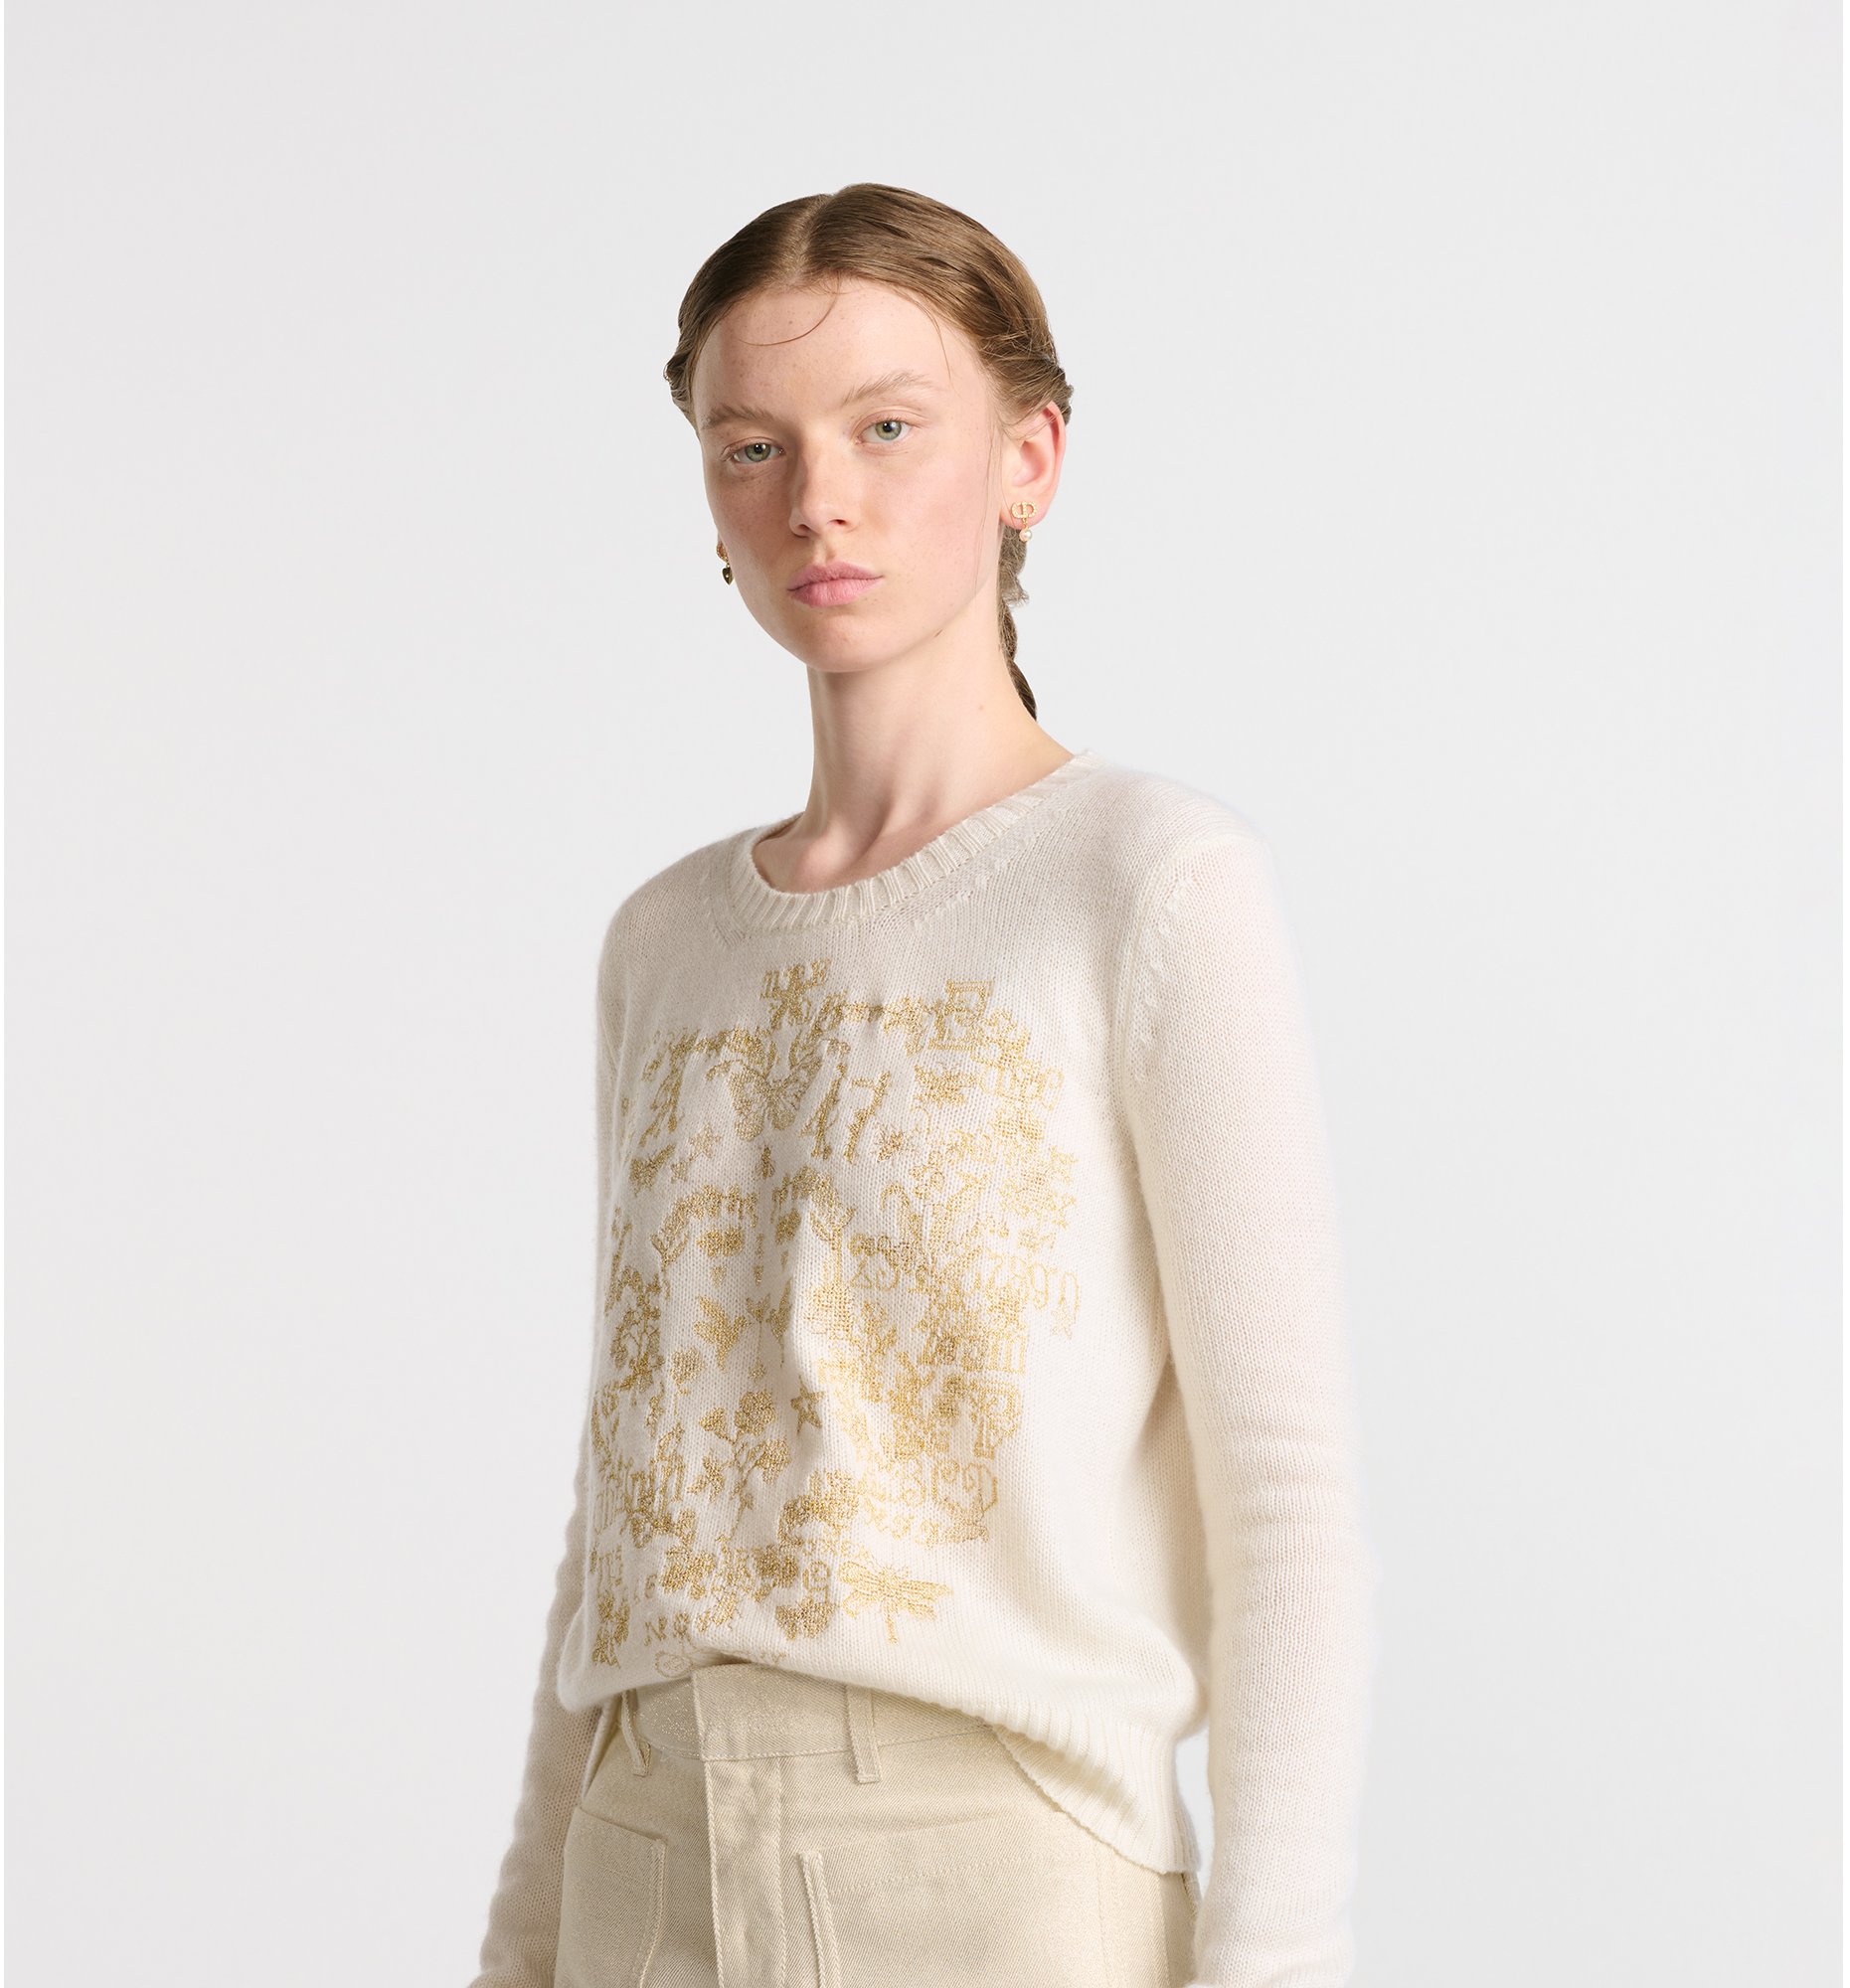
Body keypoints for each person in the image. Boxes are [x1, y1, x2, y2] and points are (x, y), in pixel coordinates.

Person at [468, 182, 1380, 1988]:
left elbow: (1283, 1499)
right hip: (641, 1848)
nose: (817, 498)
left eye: (887, 428)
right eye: (752, 446)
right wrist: (523, 1943)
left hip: (994, 1868)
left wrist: (1275, 1963)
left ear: (1028, 457)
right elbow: (629, 1491)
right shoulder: (666, 940)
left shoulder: (1144, 882)